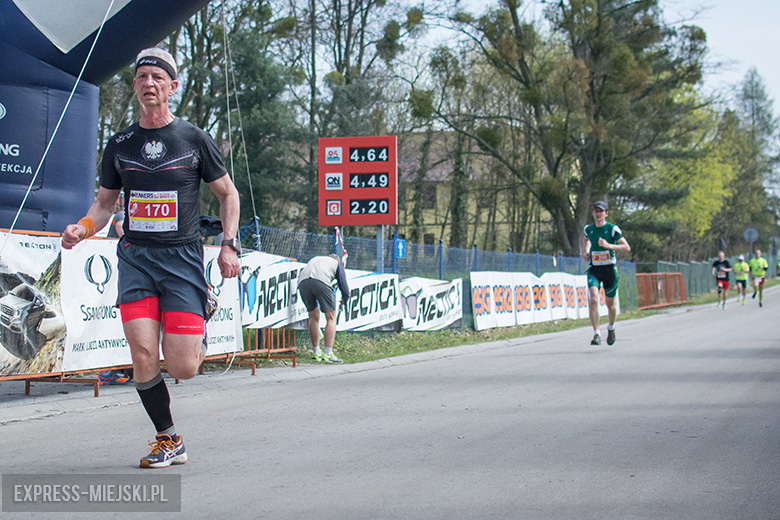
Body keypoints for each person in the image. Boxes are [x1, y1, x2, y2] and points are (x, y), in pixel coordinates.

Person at [61, 48, 240, 469]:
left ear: (172, 87)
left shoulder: (194, 139)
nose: (149, 83)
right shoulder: (121, 144)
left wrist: (229, 245)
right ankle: (168, 438)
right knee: (142, 353)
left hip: (182, 259)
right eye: (142, 77)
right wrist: (83, 229)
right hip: (137, 258)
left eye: (158, 77)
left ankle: (200, 316)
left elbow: (227, 193)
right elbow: (105, 205)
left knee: (184, 366)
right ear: (135, 86)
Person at [582, 200, 631, 346]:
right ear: (593, 213)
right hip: (595, 270)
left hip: (609, 270)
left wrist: (608, 245)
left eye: (601, 211)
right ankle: (596, 333)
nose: (598, 214)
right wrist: (586, 251)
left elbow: (626, 247)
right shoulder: (588, 229)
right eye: (596, 211)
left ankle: (611, 327)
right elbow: (586, 240)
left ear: (606, 213)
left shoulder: (612, 229)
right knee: (594, 299)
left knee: (611, 305)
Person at [297, 254, 350, 363]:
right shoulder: (337, 264)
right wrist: (345, 298)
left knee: (313, 316)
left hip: (303, 282)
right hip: (321, 281)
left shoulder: (316, 259)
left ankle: (316, 352)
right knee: (331, 317)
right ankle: (328, 353)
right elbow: (343, 284)